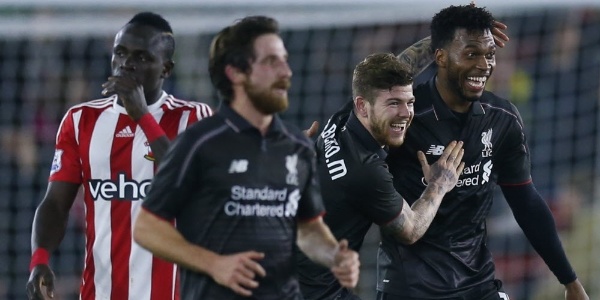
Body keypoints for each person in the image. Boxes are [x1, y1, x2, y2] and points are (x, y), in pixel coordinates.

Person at [132, 15, 360, 300]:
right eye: (271, 62)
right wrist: (214, 264)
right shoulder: (199, 143)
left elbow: (308, 228)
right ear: (235, 73)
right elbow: (146, 228)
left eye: (285, 60)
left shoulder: (296, 146)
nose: (286, 71)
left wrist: (333, 255)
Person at [380, 4, 590, 300]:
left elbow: (526, 202)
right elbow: (379, 87)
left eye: (489, 54)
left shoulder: (502, 118)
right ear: (440, 57)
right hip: (412, 288)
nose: (484, 65)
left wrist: (569, 280)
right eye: (470, 54)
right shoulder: (404, 115)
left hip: (477, 285)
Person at [26, 12, 213, 300]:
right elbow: (54, 203)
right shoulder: (80, 120)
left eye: (141, 57)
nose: (127, 64)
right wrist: (39, 259)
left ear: (166, 69)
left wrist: (141, 115)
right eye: (121, 53)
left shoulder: (193, 117)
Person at [296, 53, 465, 300]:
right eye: (394, 103)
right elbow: (411, 230)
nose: (406, 113)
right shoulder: (365, 171)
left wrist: (439, 41)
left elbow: (402, 64)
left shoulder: (342, 118)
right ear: (363, 106)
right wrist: (439, 184)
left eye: (410, 102)